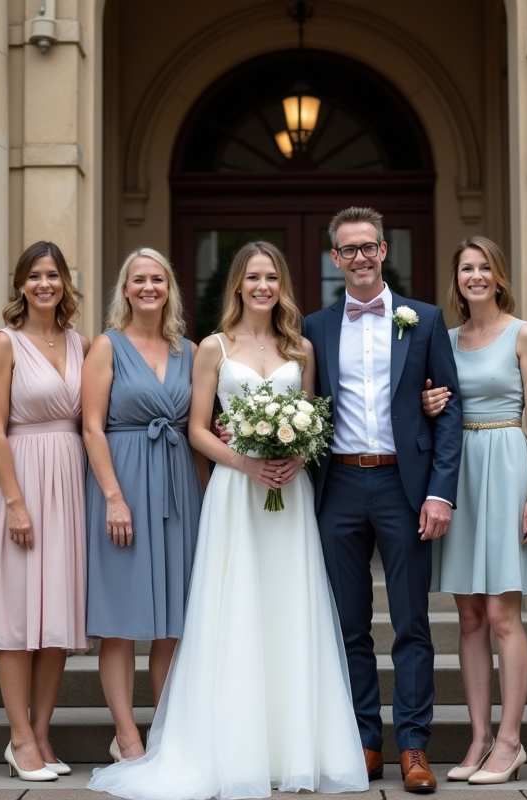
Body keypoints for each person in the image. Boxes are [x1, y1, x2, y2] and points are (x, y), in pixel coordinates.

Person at [88, 241, 367, 798]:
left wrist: (295, 458)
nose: (262, 286)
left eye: (272, 277)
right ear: (237, 284)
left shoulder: (302, 348)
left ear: (282, 286)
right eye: (253, 277)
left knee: (289, 609)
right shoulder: (211, 348)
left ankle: (290, 748)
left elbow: (313, 421)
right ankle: (229, 746)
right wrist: (245, 463)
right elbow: (197, 429)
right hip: (236, 493)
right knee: (234, 608)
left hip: (288, 497)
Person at [303, 207, 463, 794]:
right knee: (348, 624)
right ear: (335, 258)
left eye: (368, 247)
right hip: (339, 487)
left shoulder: (424, 319)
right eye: (348, 249)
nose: (360, 257)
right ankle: (364, 742)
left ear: (383, 251)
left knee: (412, 622)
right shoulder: (315, 328)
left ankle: (414, 746)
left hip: (404, 487)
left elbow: (449, 413)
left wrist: (439, 492)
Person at [420, 236, 527, 784]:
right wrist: (428, 404)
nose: (475, 276)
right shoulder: (445, 339)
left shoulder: (524, 334)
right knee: (468, 616)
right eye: (466, 268)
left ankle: (511, 741)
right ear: (457, 279)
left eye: (484, 268)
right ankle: (478, 738)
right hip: (459, 472)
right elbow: (434, 405)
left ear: (498, 277)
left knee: (501, 615)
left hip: (508, 465)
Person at [82, 247, 205, 765]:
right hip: (124, 485)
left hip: (179, 489)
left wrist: (207, 502)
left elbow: (199, 431)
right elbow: (91, 427)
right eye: (139, 279)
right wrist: (114, 498)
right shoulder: (106, 346)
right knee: (121, 619)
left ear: (169, 288)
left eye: (158, 279)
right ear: (125, 290)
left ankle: (168, 729)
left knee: (172, 622)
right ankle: (127, 735)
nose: (149, 287)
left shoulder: (190, 351)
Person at [0, 241, 90, 782]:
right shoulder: (4, 343)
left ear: (64, 282)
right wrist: (15, 503)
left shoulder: (79, 342)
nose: (45, 284)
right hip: (22, 478)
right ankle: (19, 738)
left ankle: (42, 733)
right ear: (21, 285)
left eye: (53, 275)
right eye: (35, 276)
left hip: (69, 481)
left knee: (58, 618)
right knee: (20, 615)